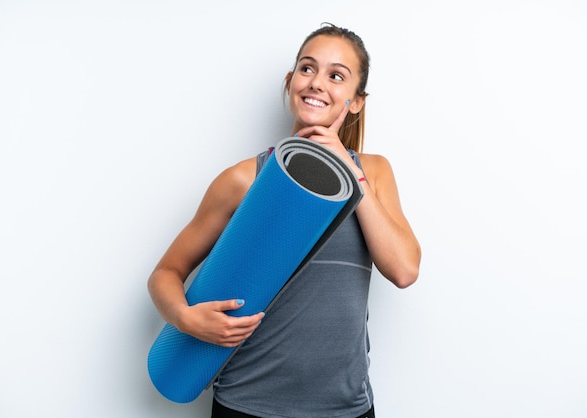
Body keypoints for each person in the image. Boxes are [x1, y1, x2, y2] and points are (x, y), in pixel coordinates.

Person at [148, 23, 421, 418]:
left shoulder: (374, 174)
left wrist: (348, 167)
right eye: (307, 69)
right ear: (290, 81)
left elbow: (404, 269)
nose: (317, 83)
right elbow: (166, 273)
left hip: (345, 408)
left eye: (336, 76)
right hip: (246, 403)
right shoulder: (244, 179)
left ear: (356, 101)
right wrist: (187, 319)